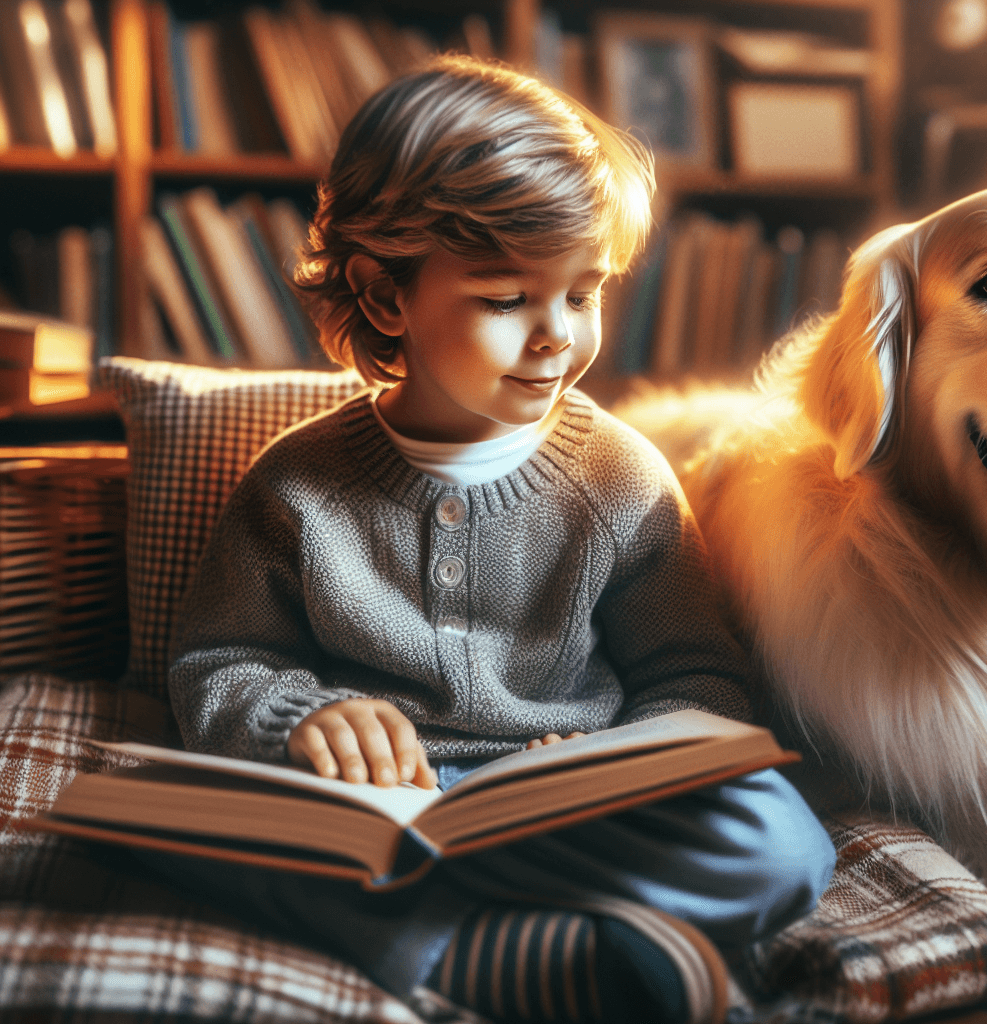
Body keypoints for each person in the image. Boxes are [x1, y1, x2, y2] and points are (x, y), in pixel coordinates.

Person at [147, 56, 835, 1024]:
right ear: (386, 299)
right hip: (382, 805)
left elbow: (697, 677)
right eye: (508, 298)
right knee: (182, 819)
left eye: (583, 292)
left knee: (781, 838)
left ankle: (465, 937)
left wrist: (626, 759)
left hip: (578, 808)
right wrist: (299, 720)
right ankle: (532, 949)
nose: (557, 335)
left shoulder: (622, 477)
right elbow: (219, 662)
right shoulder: (295, 486)